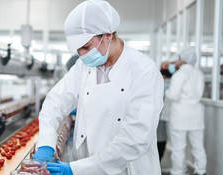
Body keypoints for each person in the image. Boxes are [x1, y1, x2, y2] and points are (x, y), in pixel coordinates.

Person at [32, 0, 164, 175]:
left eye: (86, 47)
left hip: (127, 168)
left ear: (108, 35)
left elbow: (136, 138)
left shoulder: (144, 70)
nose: (82, 55)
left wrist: (75, 170)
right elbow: (54, 102)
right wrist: (46, 144)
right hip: (83, 163)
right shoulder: (83, 66)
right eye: (78, 50)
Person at [165, 48, 207, 175]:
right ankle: (201, 170)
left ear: (182, 59)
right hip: (196, 115)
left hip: (181, 115)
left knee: (178, 147)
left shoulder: (180, 74)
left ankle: (178, 171)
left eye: (179, 58)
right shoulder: (199, 73)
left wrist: (166, 91)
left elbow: (173, 95)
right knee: (198, 146)